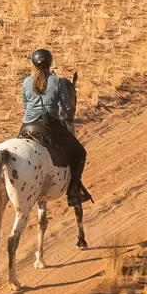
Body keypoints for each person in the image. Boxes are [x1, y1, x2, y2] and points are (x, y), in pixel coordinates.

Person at [19, 48, 90, 206]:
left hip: (27, 127)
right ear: (50, 63)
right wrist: (69, 114)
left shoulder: (26, 82)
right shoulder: (57, 82)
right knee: (80, 153)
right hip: (49, 126)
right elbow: (68, 109)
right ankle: (72, 193)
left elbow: (25, 105)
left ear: (33, 63)